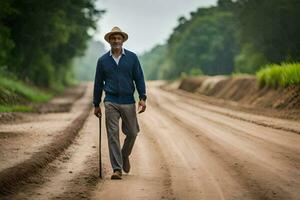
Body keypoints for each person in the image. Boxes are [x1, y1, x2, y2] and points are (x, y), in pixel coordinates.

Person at [93, 26, 147, 180]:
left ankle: (124, 155)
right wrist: (96, 104)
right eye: (113, 38)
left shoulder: (132, 58)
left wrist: (142, 98)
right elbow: (98, 83)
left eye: (118, 38)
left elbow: (139, 78)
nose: (116, 41)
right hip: (110, 101)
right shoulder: (103, 60)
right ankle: (117, 169)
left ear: (122, 40)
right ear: (109, 41)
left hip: (128, 100)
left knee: (132, 132)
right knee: (112, 135)